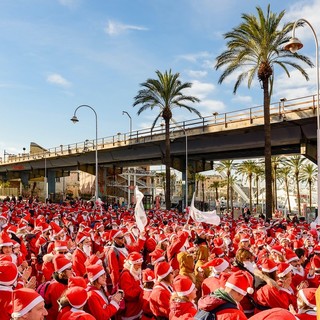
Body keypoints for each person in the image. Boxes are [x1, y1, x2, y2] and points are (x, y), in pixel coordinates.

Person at [44, 254, 73, 320]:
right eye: (70, 269)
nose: (72, 270)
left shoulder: (64, 282)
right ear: (63, 272)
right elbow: (58, 308)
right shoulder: (56, 286)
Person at [119, 251, 144, 320]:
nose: (140, 267)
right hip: (130, 310)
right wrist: (141, 289)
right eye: (138, 265)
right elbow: (128, 294)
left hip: (136, 308)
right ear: (132, 264)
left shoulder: (134, 271)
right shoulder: (126, 275)